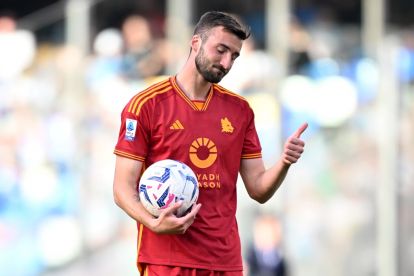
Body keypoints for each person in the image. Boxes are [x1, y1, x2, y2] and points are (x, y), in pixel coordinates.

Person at [113, 11, 307, 276]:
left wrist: (284, 162)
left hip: (225, 262)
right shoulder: (146, 105)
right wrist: (153, 223)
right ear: (195, 42)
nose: (226, 63)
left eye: (234, 56)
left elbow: (258, 189)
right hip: (167, 261)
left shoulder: (240, 111)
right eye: (221, 50)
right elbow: (122, 188)